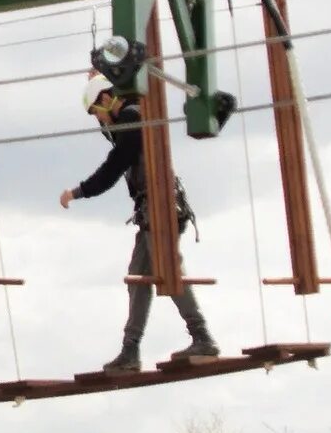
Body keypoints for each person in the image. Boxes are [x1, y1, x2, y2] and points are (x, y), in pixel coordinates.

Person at [59, 74, 219, 373]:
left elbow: (113, 166)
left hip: (160, 208)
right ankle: (130, 351)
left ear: (107, 99)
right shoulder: (129, 119)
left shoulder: (133, 118)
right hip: (153, 210)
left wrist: (78, 191)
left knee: (169, 270)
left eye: (98, 113)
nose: (101, 122)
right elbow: (115, 139)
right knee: (138, 278)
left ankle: (202, 336)